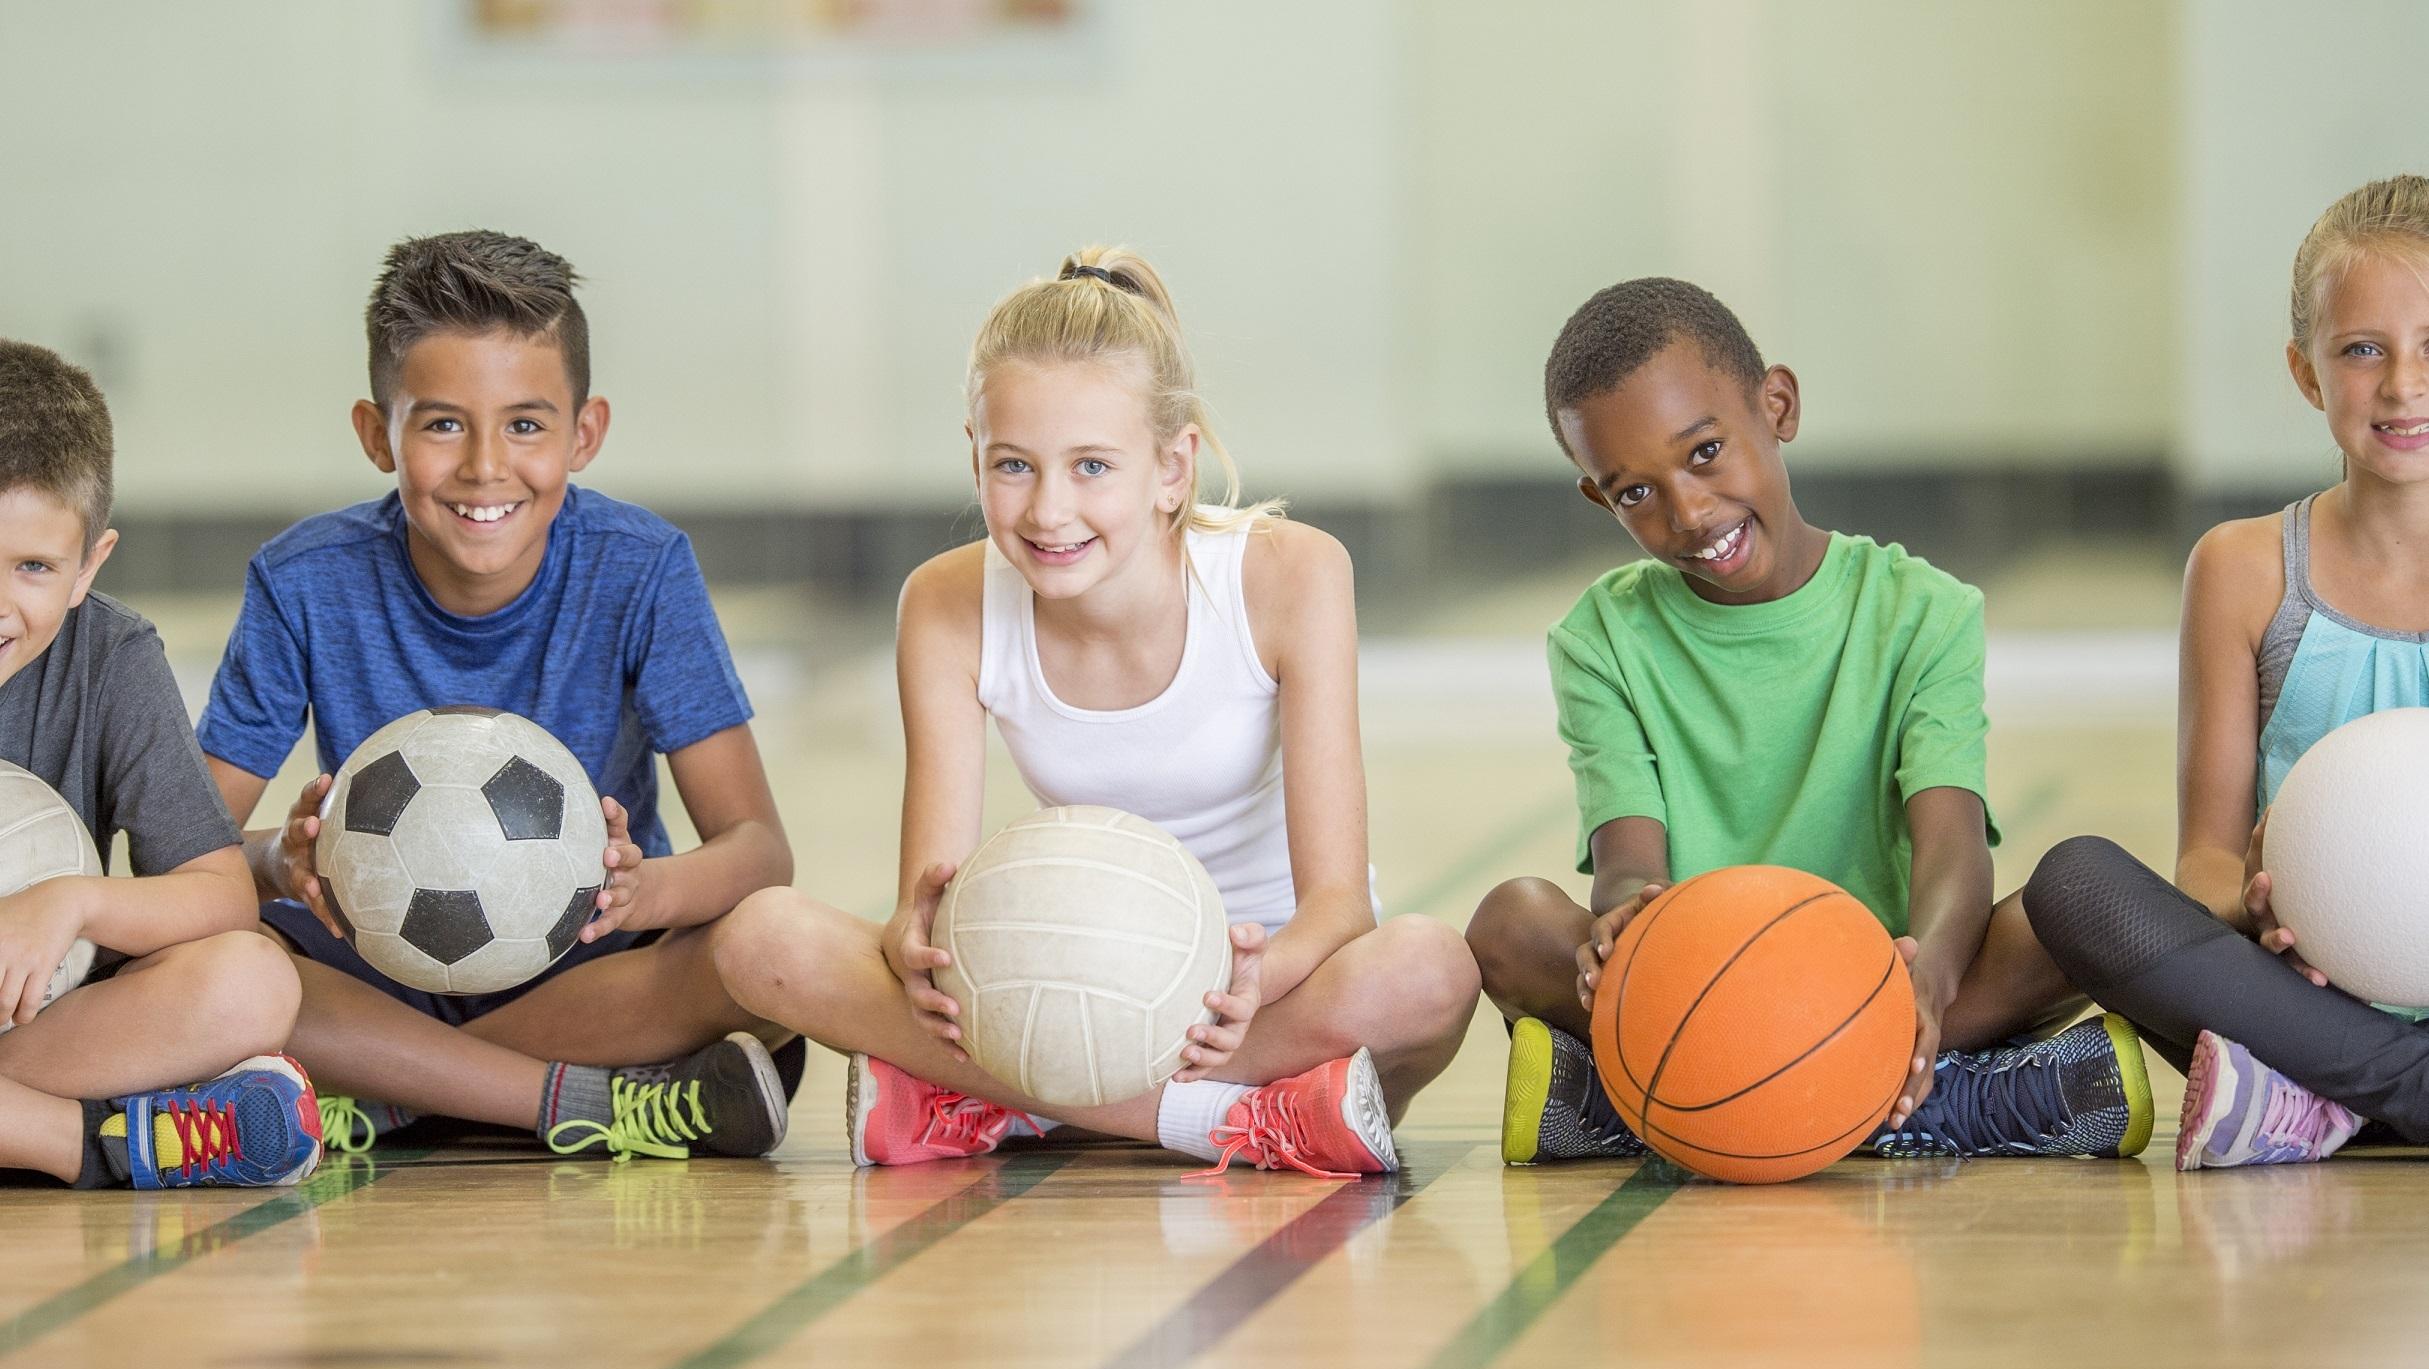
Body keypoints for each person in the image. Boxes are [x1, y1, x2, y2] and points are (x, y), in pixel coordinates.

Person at [714, 247, 1480, 1177]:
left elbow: (1335, 908)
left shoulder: (1292, 575)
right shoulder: (944, 604)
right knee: (759, 939)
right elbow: (928, 893)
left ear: (1171, 467)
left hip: (1268, 992)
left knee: (1432, 971)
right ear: (974, 456)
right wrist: (910, 943)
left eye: (1090, 466)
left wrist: (1249, 985)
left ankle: (1012, 1104)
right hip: (1062, 974)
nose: (1047, 509)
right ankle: (1236, 1123)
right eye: (1013, 465)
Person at [1466, 277, 2151, 1166]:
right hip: (1700, 982)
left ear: (1776, 406)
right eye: (1634, 492)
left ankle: (1653, 1103)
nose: (1688, 512)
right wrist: (1625, 922)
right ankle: (1934, 1100)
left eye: (1705, 451)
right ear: (1600, 498)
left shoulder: (1922, 610)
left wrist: (1927, 981)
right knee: (1509, 923)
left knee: (2078, 906)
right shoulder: (1599, 638)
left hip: (1882, 979)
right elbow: (1630, 860)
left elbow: (1950, 845)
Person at [198, 231, 795, 1164]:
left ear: (583, 433)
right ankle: (576, 1100)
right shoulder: (304, 581)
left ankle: (397, 1094)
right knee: (208, 966)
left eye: (525, 424)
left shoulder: (638, 568)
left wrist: (644, 893)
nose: (485, 466)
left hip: (584, 970)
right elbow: (183, 862)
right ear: (374, 432)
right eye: (441, 424)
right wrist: (282, 858)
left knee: (769, 951)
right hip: (370, 970)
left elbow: (759, 851)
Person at [2027, 175, 2429, 1171]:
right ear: (2304, 373)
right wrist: (2256, 903)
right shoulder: (2243, 567)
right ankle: (2387, 1086)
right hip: (2296, 994)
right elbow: (2201, 860)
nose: (2400, 385)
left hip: (2305, 1051)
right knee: (2074, 883)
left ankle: (2324, 1100)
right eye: (2360, 349)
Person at [0, 339, 317, 1190]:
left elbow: (221, 895)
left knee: (252, 980)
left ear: (87, 566)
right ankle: (95, 1142)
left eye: (32, 566)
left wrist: (70, 902)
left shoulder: (109, 655)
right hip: (57, 1090)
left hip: (39, 1032)